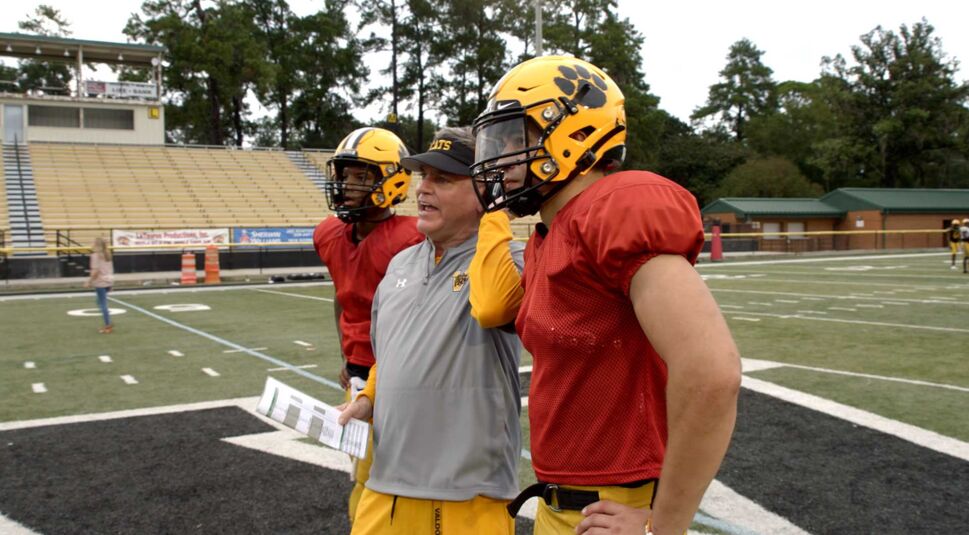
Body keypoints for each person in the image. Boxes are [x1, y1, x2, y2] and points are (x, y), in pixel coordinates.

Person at [469, 56, 742, 535]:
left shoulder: (615, 208)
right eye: (501, 140)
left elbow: (712, 374)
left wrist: (662, 526)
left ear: (575, 133)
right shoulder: (548, 235)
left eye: (518, 138)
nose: (504, 157)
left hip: (614, 506)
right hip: (561, 501)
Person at [337, 127, 524, 534]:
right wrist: (368, 398)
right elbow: (388, 356)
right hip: (385, 487)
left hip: (463, 496)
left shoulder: (510, 260)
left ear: (484, 191)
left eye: (443, 179)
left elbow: (494, 305)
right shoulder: (400, 264)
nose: (424, 189)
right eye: (423, 177)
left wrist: (495, 212)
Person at [313, 127, 423, 521]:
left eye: (362, 176)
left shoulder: (410, 238)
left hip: (401, 372)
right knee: (364, 472)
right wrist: (346, 352)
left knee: (400, 472)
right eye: (346, 175)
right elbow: (343, 296)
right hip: (360, 373)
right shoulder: (330, 234)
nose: (348, 184)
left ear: (391, 181)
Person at [84, 237, 115, 334]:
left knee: (102, 304)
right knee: (100, 302)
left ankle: (108, 325)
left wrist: (89, 281)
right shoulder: (107, 254)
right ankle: (108, 322)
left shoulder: (95, 256)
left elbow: (95, 271)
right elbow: (110, 269)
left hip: (100, 282)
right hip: (108, 280)